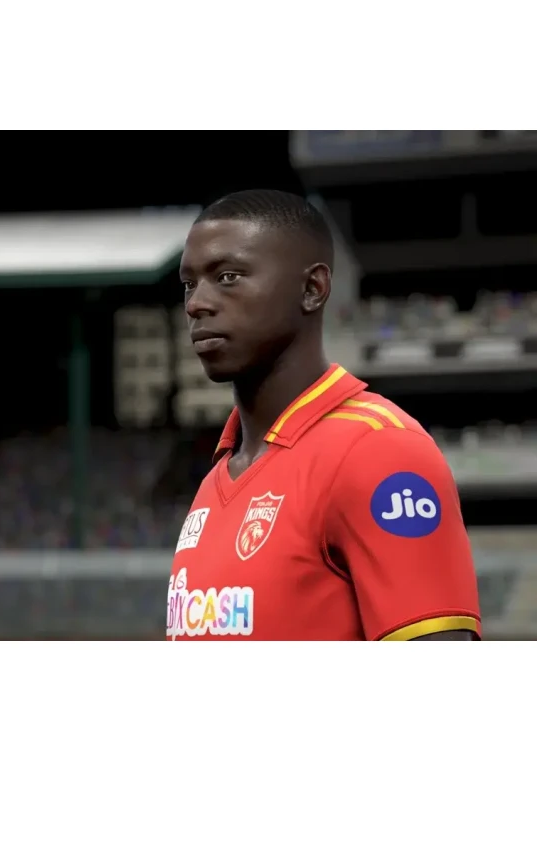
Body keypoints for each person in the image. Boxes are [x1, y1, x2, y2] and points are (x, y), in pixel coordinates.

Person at [167, 189, 481, 641]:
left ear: (312, 289)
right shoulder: (217, 478)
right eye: (189, 284)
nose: (197, 303)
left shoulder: (380, 452)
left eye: (228, 276)